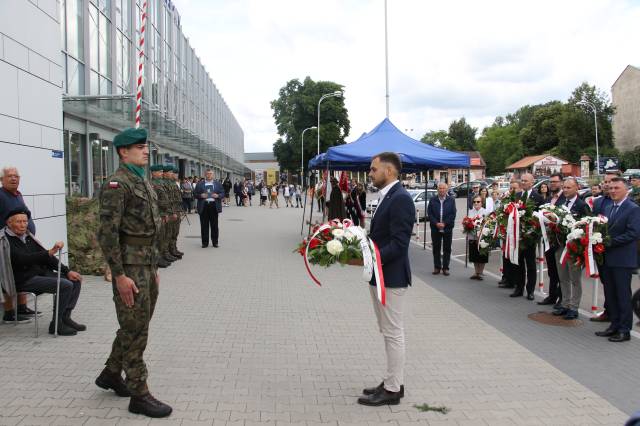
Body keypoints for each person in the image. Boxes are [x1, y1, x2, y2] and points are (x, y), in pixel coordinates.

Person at [95, 127, 172, 418]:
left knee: (136, 324)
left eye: (145, 147)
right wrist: (119, 275)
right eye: (138, 147)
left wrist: (153, 266)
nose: (145, 151)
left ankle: (111, 374)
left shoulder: (143, 181)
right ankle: (139, 393)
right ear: (122, 152)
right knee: (135, 330)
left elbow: (150, 230)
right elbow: (108, 233)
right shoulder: (118, 184)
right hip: (129, 268)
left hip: (146, 265)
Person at [357, 152, 415, 407]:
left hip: (391, 277)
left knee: (393, 333)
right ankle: (392, 381)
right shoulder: (387, 196)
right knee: (387, 331)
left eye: (373, 169)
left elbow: (400, 245)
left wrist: (369, 259)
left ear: (389, 171)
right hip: (380, 276)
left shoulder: (400, 198)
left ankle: (393, 390)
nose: (370, 173)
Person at [3, 208, 84, 335]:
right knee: (65, 285)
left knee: (74, 279)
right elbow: (21, 259)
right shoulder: (5, 240)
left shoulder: (28, 236)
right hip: (22, 279)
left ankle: (65, 318)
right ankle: (56, 325)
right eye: (19, 222)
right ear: (9, 223)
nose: (23, 225)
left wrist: (67, 271)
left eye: (25, 221)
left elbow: (47, 259)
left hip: (38, 274)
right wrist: (48, 252)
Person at [595, 177, 640, 342]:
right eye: (611, 188)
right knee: (610, 294)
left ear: (626, 190)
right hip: (606, 258)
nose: (612, 191)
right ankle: (614, 325)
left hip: (622, 259)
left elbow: (633, 233)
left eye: (617, 188)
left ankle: (624, 329)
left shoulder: (633, 209)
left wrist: (609, 242)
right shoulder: (607, 207)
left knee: (622, 295)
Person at [0, 166, 39, 323]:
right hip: (7, 243)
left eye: (16, 176)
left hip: (23, 240)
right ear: (2, 179)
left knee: (23, 271)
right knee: (9, 275)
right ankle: (10, 313)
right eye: (9, 176)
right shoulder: (1, 195)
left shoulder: (18, 195)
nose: (14, 178)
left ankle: (22, 307)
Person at [551, 178, 591, 320]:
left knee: (575, 279)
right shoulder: (561, 203)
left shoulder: (582, 205)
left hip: (574, 248)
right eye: (564, 187)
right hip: (561, 246)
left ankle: (574, 307)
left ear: (576, 188)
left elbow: (587, 225)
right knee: (563, 278)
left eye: (569, 187)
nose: (566, 190)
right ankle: (565, 304)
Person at [510, 173, 544, 300]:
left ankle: (530, 291)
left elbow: (541, 216)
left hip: (530, 237)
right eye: (522, 180)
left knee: (530, 264)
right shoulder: (517, 195)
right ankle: (519, 288)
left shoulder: (538, 197)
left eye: (525, 180)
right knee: (518, 263)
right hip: (518, 235)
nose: (523, 182)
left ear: (532, 182)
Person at [590, 171, 618, 323]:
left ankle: (617, 316)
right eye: (605, 181)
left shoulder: (626, 203)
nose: (608, 184)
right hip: (600, 249)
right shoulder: (599, 202)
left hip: (617, 249)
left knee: (618, 285)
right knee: (606, 282)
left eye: (611, 181)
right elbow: (593, 221)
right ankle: (609, 311)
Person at [538, 173, 564, 307]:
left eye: (555, 182)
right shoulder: (548, 199)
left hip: (560, 240)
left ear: (561, 183)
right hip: (548, 239)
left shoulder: (564, 199)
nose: (552, 184)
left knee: (562, 272)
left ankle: (561, 298)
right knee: (552, 270)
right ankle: (552, 295)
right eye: (551, 182)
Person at [427, 182, 456, 276]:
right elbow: (430, 213)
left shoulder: (451, 200)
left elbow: (453, 214)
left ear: (447, 190)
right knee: (436, 248)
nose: (442, 190)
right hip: (435, 228)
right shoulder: (432, 200)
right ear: (437, 189)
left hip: (447, 228)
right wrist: (436, 223)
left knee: (447, 249)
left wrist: (444, 223)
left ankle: (446, 268)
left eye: (444, 188)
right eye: (440, 188)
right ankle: (437, 267)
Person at [149, 165, 172, 268]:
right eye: (159, 172)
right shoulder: (151, 184)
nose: (161, 173)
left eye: (162, 171)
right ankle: (157, 258)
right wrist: (163, 214)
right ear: (153, 173)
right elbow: (155, 201)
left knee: (163, 236)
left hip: (163, 213)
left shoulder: (160, 183)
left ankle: (161, 256)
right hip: (158, 213)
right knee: (158, 237)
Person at [194, 169, 224, 248]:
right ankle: (205, 242)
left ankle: (215, 242)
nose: (209, 175)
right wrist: (201, 196)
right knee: (204, 225)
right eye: (207, 174)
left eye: (211, 174)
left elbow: (223, 193)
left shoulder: (218, 184)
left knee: (214, 225)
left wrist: (218, 196)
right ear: (205, 174)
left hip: (214, 205)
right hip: (204, 206)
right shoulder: (200, 184)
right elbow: (195, 194)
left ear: (213, 175)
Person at [467, 195, 488, 280]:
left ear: (481, 203)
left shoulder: (485, 212)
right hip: (472, 236)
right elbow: (467, 222)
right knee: (474, 255)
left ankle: (480, 272)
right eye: (474, 202)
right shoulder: (470, 211)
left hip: (482, 237)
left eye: (478, 201)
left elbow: (488, 225)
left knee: (482, 256)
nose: (476, 203)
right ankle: (476, 272)